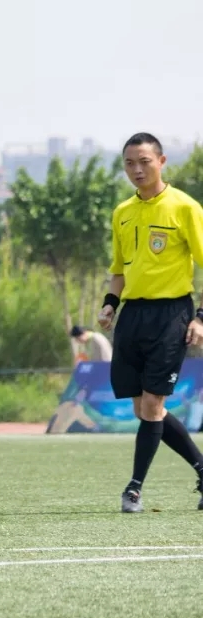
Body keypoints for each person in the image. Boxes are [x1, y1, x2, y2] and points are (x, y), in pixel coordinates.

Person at [98, 132, 203, 513]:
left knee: (154, 404)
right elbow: (119, 270)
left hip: (171, 315)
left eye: (144, 161)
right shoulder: (122, 212)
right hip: (132, 317)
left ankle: (134, 489)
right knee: (144, 409)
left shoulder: (185, 207)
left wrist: (200, 318)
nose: (137, 169)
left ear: (161, 161)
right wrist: (110, 305)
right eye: (129, 163)